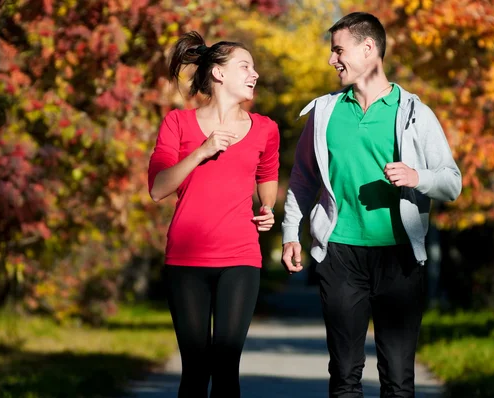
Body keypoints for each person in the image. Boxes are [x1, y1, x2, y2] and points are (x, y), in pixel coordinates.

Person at [280, 12, 462, 398]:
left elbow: (452, 181)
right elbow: (303, 178)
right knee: (344, 374)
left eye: (338, 50)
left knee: (398, 378)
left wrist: (418, 177)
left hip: (399, 258)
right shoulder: (324, 113)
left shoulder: (414, 112)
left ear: (368, 50)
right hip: (341, 254)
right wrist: (290, 233)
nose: (332, 60)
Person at [148, 31, 279, 398]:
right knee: (195, 370)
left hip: (240, 258)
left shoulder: (265, 129)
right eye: (245, 66)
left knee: (224, 368)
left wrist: (267, 206)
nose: (254, 74)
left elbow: (267, 175)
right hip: (186, 260)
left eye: (254, 68)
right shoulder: (177, 123)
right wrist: (201, 152)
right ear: (219, 74)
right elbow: (159, 188)